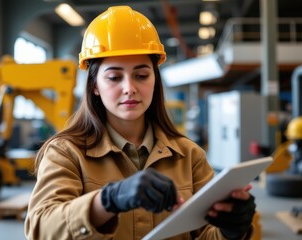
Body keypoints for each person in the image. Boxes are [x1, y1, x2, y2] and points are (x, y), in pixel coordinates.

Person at [25, 6, 256, 240]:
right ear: (94, 86)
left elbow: (206, 234)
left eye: (141, 75)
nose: (129, 88)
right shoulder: (66, 153)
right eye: (114, 77)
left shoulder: (190, 157)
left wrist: (232, 230)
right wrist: (108, 200)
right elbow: (41, 229)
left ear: (155, 80)